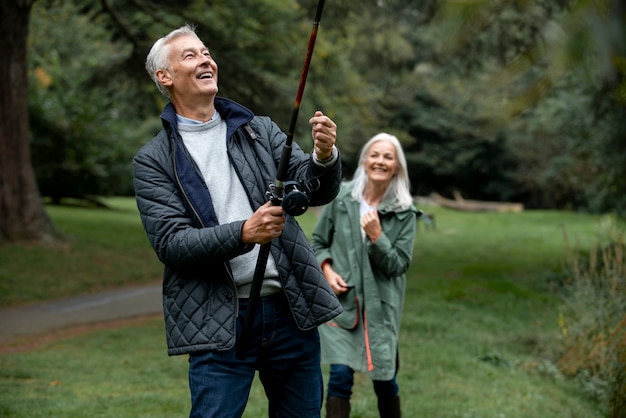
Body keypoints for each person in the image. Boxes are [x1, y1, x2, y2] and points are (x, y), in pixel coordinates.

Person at [133, 25, 343, 418]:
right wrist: (244, 232)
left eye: (207, 52)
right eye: (191, 55)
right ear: (165, 77)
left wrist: (324, 155)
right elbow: (172, 244)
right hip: (217, 320)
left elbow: (311, 187)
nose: (206, 59)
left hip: (290, 309)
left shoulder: (259, 129)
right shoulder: (153, 160)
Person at [311, 133, 418, 418]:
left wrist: (377, 236)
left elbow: (399, 265)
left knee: (385, 379)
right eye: (374, 154)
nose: (380, 161)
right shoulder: (342, 197)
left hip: (380, 309)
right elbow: (318, 242)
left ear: (397, 167)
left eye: (387, 157)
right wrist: (327, 270)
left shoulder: (404, 212)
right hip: (344, 307)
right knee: (340, 378)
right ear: (364, 160)